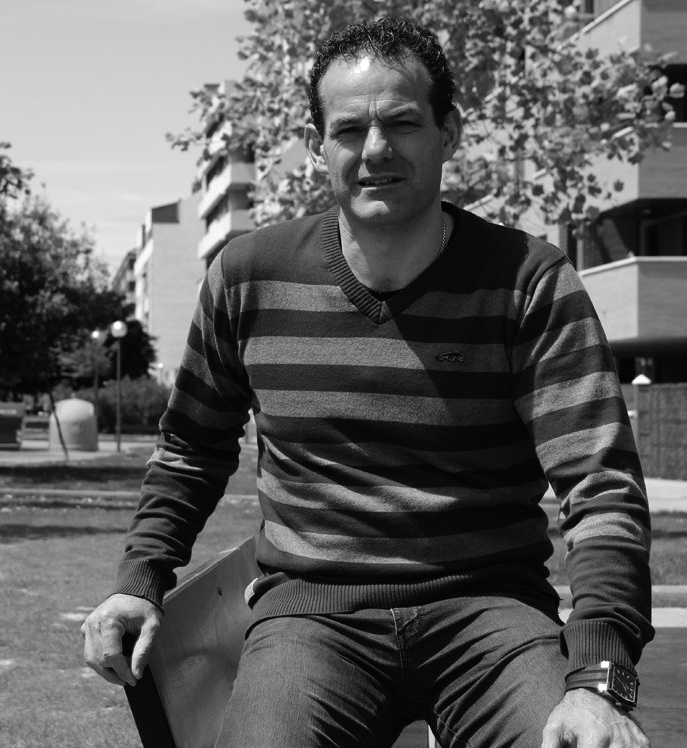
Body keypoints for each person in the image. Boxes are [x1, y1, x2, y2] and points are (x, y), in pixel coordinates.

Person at [81, 16, 652, 748]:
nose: (376, 148)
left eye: (403, 123)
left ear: (449, 132)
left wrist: (599, 678)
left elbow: (600, 487)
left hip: (490, 611)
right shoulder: (248, 278)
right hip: (313, 616)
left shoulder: (529, 282)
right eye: (350, 129)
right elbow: (192, 447)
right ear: (320, 144)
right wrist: (140, 578)